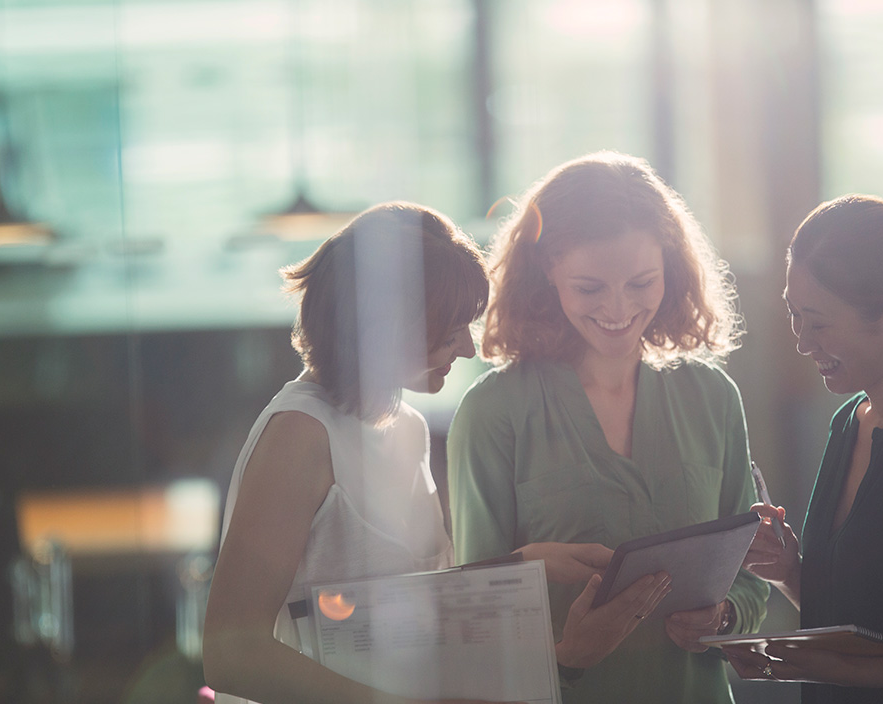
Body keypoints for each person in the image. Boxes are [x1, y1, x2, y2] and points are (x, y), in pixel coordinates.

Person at [201, 201, 672, 704]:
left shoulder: (404, 426)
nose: (468, 349)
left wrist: (521, 565)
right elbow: (233, 654)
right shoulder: (301, 433)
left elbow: (395, 607)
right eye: (449, 333)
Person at [447, 151, 769, 703]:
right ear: (547, 270)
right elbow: (473, 615)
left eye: (642, 282)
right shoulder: (494, 413)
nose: (618, 309)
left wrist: (725, 613)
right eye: (590, 288)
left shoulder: (713, 398)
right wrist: (562, 654)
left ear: (671, 264)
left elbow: (749, 575)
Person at [723, 194, 883, 702]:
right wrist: (790, 572)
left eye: (818, 322)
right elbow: (865, 619)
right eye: (794, 315)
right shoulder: (849, 423)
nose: (801, 341)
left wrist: (847, 674)